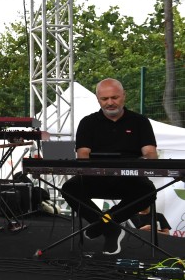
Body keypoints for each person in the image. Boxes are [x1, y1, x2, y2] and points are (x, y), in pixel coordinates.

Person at [60, 78, 157, 255]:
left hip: (129, 178)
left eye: (114, 97)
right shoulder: (88, 122)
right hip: (96, 178)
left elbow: (150, 152)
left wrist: (146, 160)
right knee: (70, 188)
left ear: (124, 96)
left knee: (148, 191)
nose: (110, 102)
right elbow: (83, 154)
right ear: (98, 99)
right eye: (104, 99)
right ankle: (112, 228)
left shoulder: (140, 121)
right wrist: (92, 171)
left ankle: (101, 224)